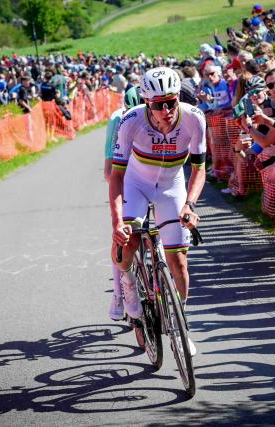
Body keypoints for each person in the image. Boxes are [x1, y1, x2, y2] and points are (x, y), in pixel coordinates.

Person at [109, 67, 206, 356]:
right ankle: (127, 284)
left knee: (179, 264)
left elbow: (199, 170)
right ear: (146, 102)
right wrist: (117, 222)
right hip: (136, 184)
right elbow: (115, 176)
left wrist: (190, 204)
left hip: (171, 186)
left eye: (171, 102)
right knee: (129, 240)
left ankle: (178, 325)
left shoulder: (194, 118)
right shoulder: (130, 121)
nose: (165, 109)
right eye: (158, 104)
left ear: (179, 98)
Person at [105, 86, 144, 321]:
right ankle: (119, 293)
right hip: (125, 178)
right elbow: (109, 168)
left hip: (151, 181)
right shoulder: (117, 119)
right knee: (122, 237)